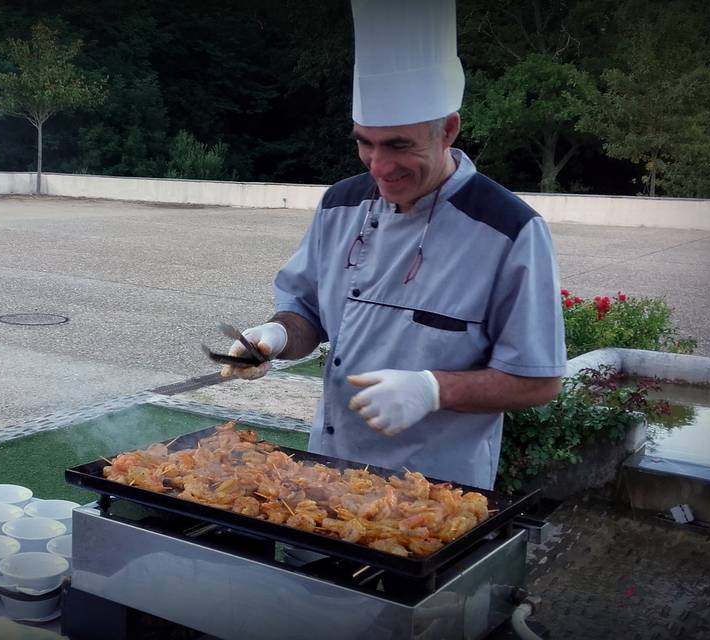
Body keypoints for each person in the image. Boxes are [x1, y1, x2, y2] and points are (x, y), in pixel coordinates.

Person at [220, 0, 566, 490]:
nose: (379, 167)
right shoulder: (341, 204)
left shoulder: (510, 232)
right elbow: (307, 315)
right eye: (366, 143)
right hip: (326, 474)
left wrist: (433, 389)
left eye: (400, 145)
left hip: (435, 494)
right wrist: (273, 337)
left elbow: (539, 380)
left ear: (448, 129)